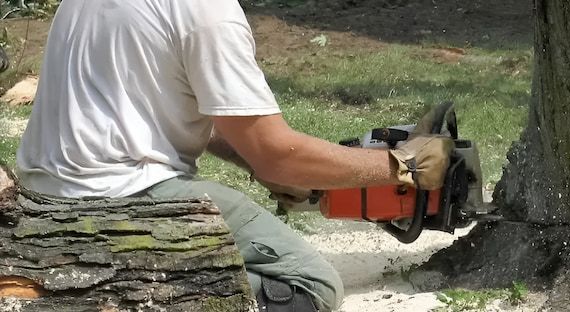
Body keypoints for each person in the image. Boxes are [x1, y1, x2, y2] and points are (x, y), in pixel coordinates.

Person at [14, 1, 452, 311]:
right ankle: (132, 295)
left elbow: (163, 105)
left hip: (46, 190)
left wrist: (254, 161)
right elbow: (278, 154)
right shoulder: (208, 13)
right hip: (126, 192)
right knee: (311, 285)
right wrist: (403, 166)